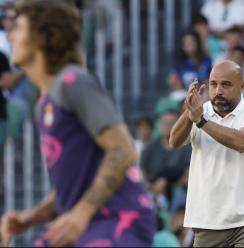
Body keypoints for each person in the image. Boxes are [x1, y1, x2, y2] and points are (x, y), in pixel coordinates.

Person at [0, 1, 155, 247]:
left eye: (18, 28)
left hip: (118, 219)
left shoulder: (73, 81)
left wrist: (80, 214)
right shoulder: (46, 100)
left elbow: (123, 150)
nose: (11, 35)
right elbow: (75, 184)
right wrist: (30, 218)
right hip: (88, 222)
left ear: (42, 36)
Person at [169, 60, 244, 247]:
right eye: (214, 84)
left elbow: (242, 141)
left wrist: (201, 121)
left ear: (242, 87)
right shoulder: (201, 111)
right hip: (207, 221)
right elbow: (174, 141)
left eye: (226, 84)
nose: (218, 91)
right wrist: (189, 112)